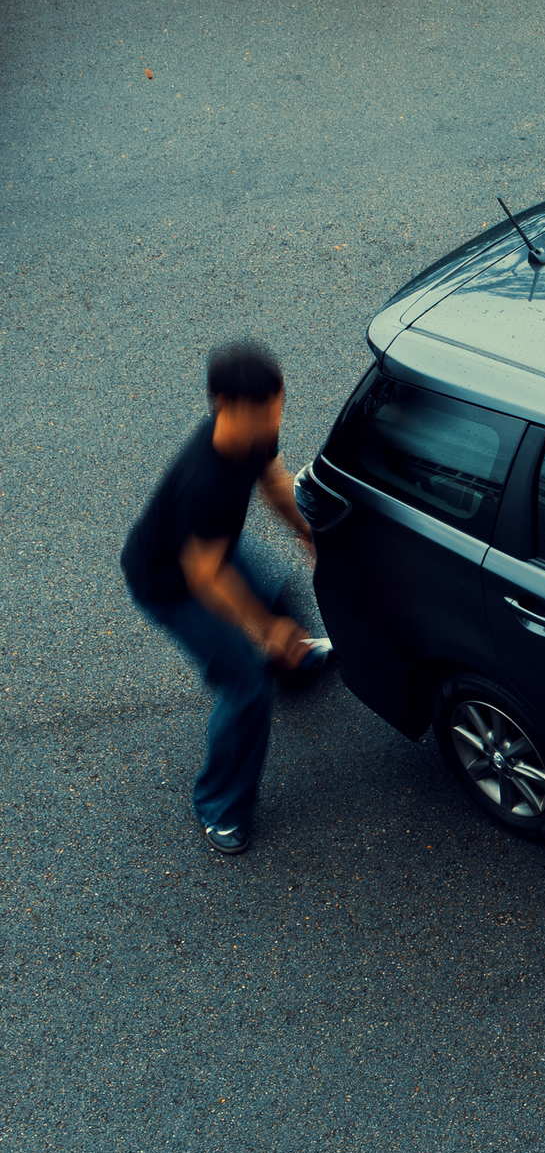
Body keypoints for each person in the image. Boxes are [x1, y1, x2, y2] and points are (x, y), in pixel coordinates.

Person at [121, 341, 328, 854]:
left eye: (277, 406)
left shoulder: (259, 430)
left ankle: (294, 668)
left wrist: (305, 531)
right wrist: (266, 629)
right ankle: (219, 806)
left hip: (212, 551)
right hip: (171, 583)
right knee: (244, 685)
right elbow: (206, 576)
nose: (270, 421)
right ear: (223, 405)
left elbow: (274, 481)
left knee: (280, 592)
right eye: (259, 412)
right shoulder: (204, 479)